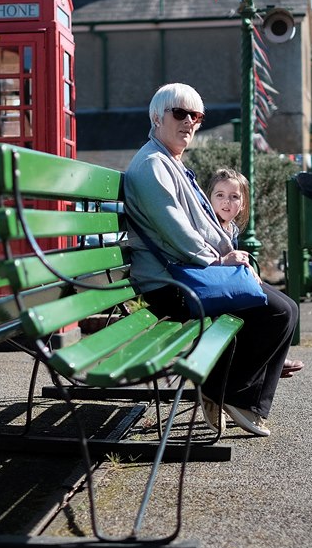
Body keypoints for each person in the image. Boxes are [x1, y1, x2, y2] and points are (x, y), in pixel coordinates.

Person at [124, 83, 299, 437]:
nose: (190, 121)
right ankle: (232, 393)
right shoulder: (152, 165)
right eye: (180, 113)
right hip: (170, 284)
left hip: (188, 273)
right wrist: (219, 261)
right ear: (157, 117)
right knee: (277, 312)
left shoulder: (171, 162)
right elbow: (177, 233)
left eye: (197, 116)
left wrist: (229, 255)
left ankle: (237, 392)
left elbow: (202, 224)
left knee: (287, 309)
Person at [206, 168, 304, 380]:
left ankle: (272, 358)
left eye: (234, 197)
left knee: (292, 307)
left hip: (230, 285)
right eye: (220, 195)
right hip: (216, 289)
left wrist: (246, 267)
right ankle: (262, 364)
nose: (227, 202)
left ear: (242, 205)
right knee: (278, 312)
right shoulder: (208, 226)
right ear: (209, 198)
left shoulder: (229, 227)